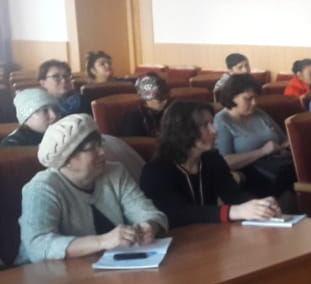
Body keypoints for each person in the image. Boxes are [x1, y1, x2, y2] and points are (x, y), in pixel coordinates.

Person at [17, 114, 168, 263]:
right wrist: (102, 241)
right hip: (47, 274)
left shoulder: (115, 172)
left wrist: (149, 226)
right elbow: (37, 245)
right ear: (66, 159)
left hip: (109, 267)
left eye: (100, 144)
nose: (102, 152)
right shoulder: (42, 188)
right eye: (91, 148)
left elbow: (147, 211)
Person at [141, 100, 282, 227]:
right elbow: (177, 214)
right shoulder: (156, 171)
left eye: (212, 123)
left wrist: (259, 205)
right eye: (205, 126)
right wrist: (235, 211)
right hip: (177, 240)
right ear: (183, 131)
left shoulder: (211, 159)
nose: (214, 131)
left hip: (209, 234)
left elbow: (233, 195)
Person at [1, 87, 145, 180]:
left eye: (55, 109)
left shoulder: (64, 133)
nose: (54, 115)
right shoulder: (12, 146)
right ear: (26, 117)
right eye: (44, 111)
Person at [214, 73, 295, 199]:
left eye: (256, 98)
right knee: (290, 179)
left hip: (276, 165)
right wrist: (262, 151)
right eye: (248, 99)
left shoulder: (259, 114)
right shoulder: (222, 120)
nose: (254, 103)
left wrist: (285, 149)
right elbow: (224, 161)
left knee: (300, 171)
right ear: (232, 97)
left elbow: (284, 140)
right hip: (248, 173)